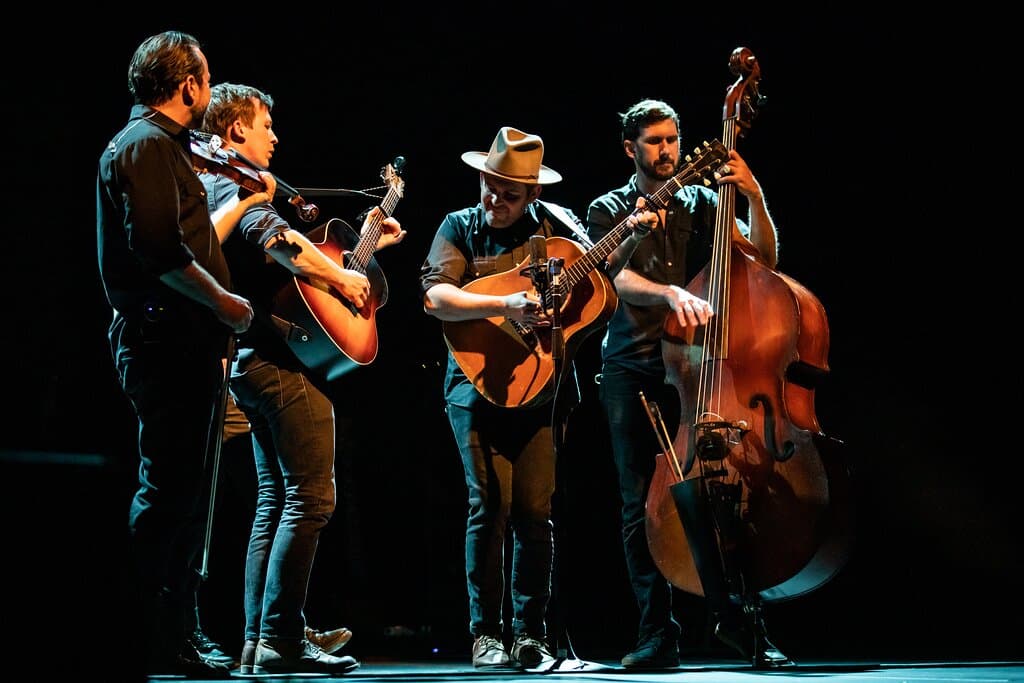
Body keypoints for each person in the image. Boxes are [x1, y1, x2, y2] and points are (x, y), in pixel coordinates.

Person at [419, 126, 650, 670]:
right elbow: (435, 298)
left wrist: (632, 235)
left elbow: (600, 281)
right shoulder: (458, 226)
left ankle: (531, 636)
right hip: (473, 387)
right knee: (489, 507)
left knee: (534, 512)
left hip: (543, 389)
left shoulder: (557, 228)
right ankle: (485, 634)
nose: (495, 201)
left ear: (533, 194)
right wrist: (506, 305)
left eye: (509, 194)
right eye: (489, 187)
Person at [199, 82, 404, 675]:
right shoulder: (239, 190)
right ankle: (282, 635)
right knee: (312, 498)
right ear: (236, 129)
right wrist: (341, 279)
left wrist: (359, 256)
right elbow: (282, 243)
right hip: (279, 363)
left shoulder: (225, 188)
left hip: (253, 361)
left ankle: (261, 639)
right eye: (266, 125)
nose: (275, 136)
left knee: (275, 501)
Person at [586, 98, 789, 669]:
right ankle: (657, 633)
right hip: (633, 363)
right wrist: (669, 292)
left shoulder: (707, 204)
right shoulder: (608, 210)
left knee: (725, 493)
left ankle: (740, 621)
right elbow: (614, 276)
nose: (667, 150)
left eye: (672, 139)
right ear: (630, 148)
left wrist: (754, 197)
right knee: (639, 503)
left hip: (702, 366)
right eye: (654, 141)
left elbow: (765, 259)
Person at [96, 30, 254, 678]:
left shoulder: (163, 146)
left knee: (186, 495)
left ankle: (178, 631)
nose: (209, 91)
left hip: (182, 343)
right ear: (189, 85)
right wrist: (224, 302)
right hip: (164, 342)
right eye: (207, 79)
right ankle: (154, 634)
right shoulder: (146, 145)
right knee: (169, 494)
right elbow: (160, 251)